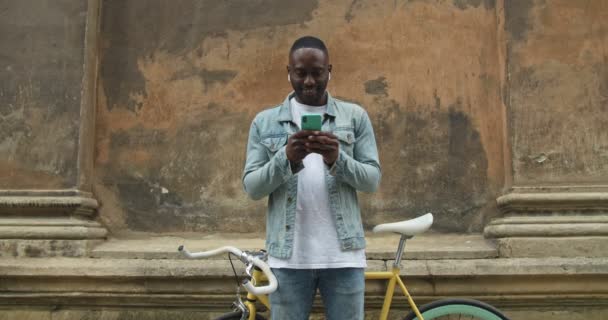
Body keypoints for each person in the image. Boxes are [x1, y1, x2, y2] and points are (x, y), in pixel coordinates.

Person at [242, 36, 381, 320]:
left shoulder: (354, 117)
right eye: (300, 73)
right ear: (288, 72)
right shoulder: (265, 122)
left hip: (344, 257)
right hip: (288, 259)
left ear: (329, 70)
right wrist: (286, 159)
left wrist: (337, 159)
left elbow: (372, 180)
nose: (308, 81)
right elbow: (252, 187)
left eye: (316, 72)